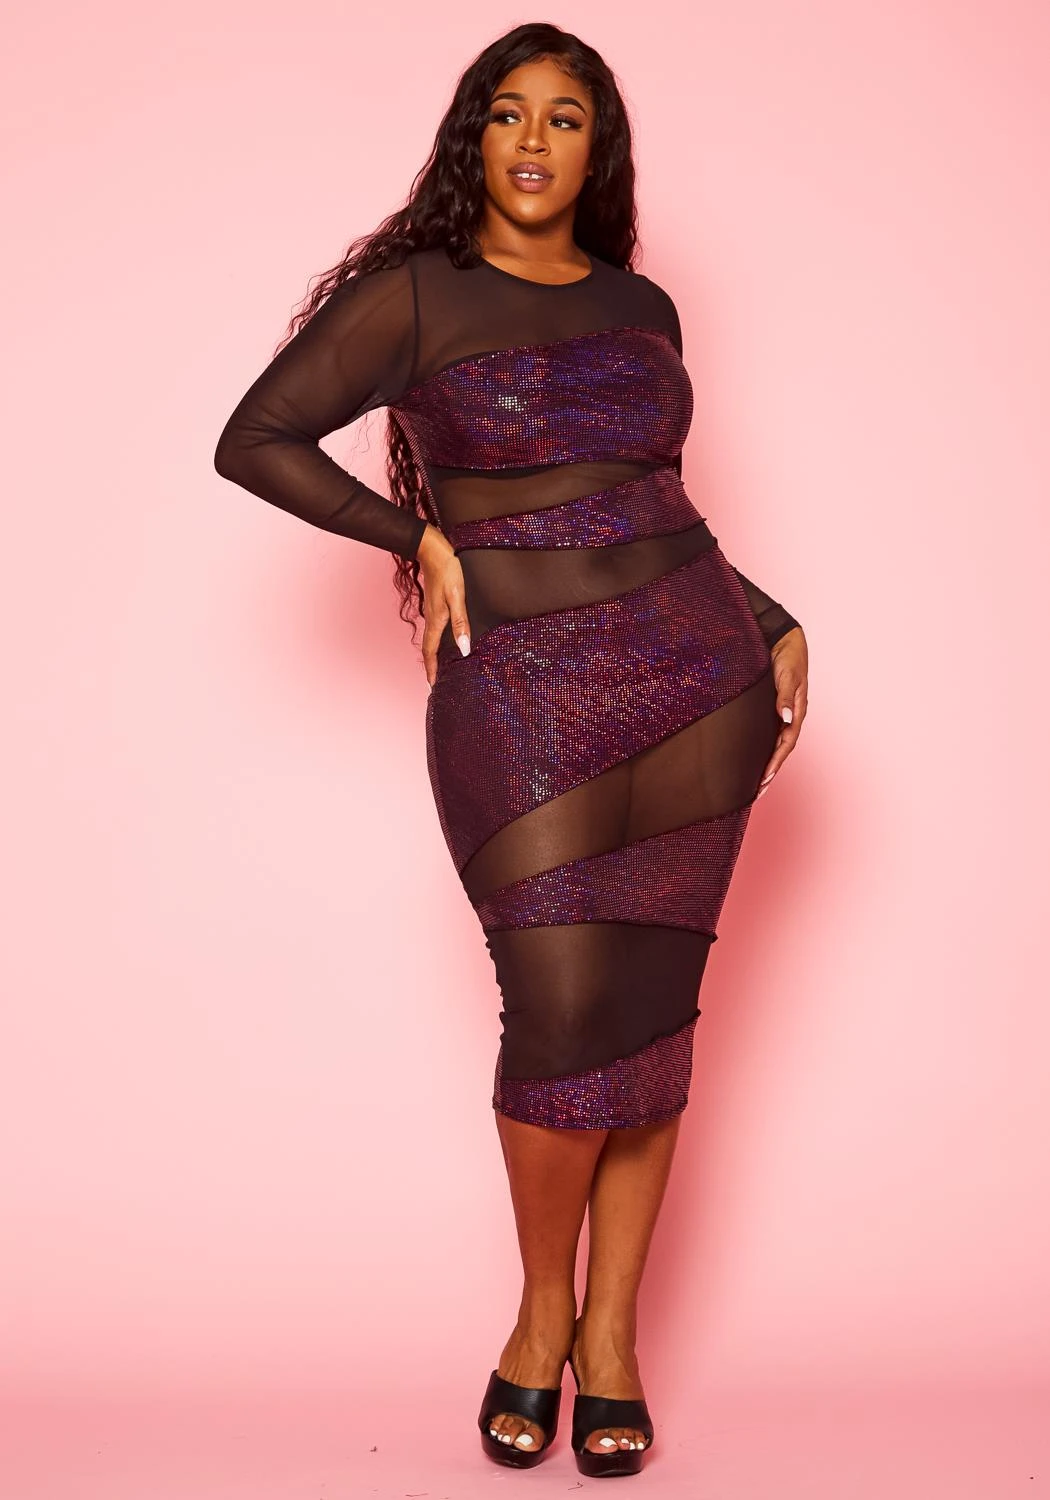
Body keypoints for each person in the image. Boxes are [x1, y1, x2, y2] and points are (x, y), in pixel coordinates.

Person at [213, 20, 808, 1478]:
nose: (535, 141)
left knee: (652, 1019)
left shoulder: (644, 306)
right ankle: (542, 1312)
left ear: (599, 151)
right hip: (519, 694)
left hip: (695, 672)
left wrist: (767, 615)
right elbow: (256, 436)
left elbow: (646, 494)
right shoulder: (417, 295)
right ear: (471, 137)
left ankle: (612, 1338)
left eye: (566, 118)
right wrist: (413, 534)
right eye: (508, 114)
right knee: (556, 1014)